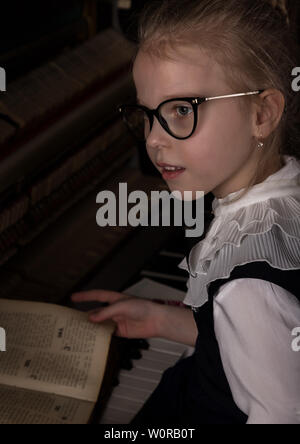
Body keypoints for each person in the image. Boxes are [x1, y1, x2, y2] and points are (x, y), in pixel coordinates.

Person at [71, 0, 300, 424]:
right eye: (147, 114)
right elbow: (268, 344)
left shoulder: (247, 285)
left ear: (262, 114)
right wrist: (164, 321)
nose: (154, 140)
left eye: (181, 110)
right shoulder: (283, 198)